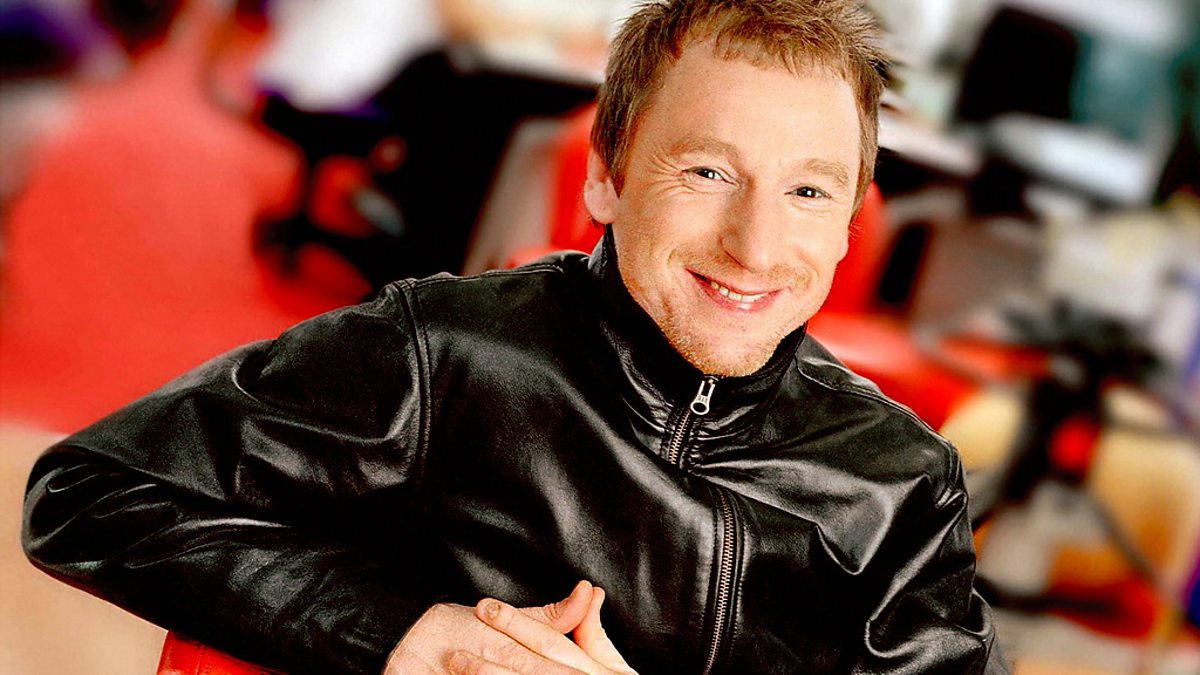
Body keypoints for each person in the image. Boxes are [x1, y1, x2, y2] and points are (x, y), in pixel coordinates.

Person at [22, 1, 1007, 673]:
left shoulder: (902, 485)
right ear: (606, 176)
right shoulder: (450, 352)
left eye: (807, 192)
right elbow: (86, 491)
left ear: (851, 225)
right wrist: (402, 633)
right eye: (707, 173)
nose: (755, 246)